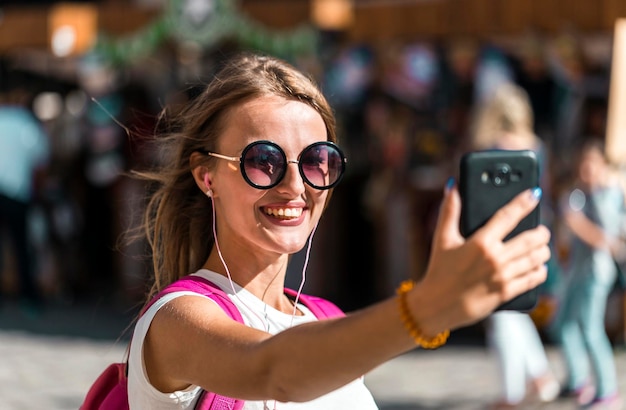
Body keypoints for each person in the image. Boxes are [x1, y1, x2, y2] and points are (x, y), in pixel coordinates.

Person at [126, 52, 550, 409]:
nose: (295, 186)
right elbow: (273, 371)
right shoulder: (177, 319)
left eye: (316, 161)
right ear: (207, 175)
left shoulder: (326, 319)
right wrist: (428, 307)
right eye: (262, 160)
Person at [469, 82, 560, 409]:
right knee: (515, 310)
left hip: (501, 236)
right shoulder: (537, 147)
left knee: (502, 312)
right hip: (534, 234)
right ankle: (540, 376)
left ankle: (513, 392)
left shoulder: (491, 149)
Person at [555, 139, 623, 409]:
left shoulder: (608, 194)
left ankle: (608, 391)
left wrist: (578, 224)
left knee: (591, 328)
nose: (587, 169)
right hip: (575, 272)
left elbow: (609, 239)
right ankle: (578, 380)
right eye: (584, 163)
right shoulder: (577, 194)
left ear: (602, 166)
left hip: (597, 272)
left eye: (593, 164)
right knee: (564, 324)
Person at [0, 87, 50, 312]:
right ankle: (28, 296)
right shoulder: (26, 122)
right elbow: (40, 163)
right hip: (17, 193)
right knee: (21, 247)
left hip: (12, 191)